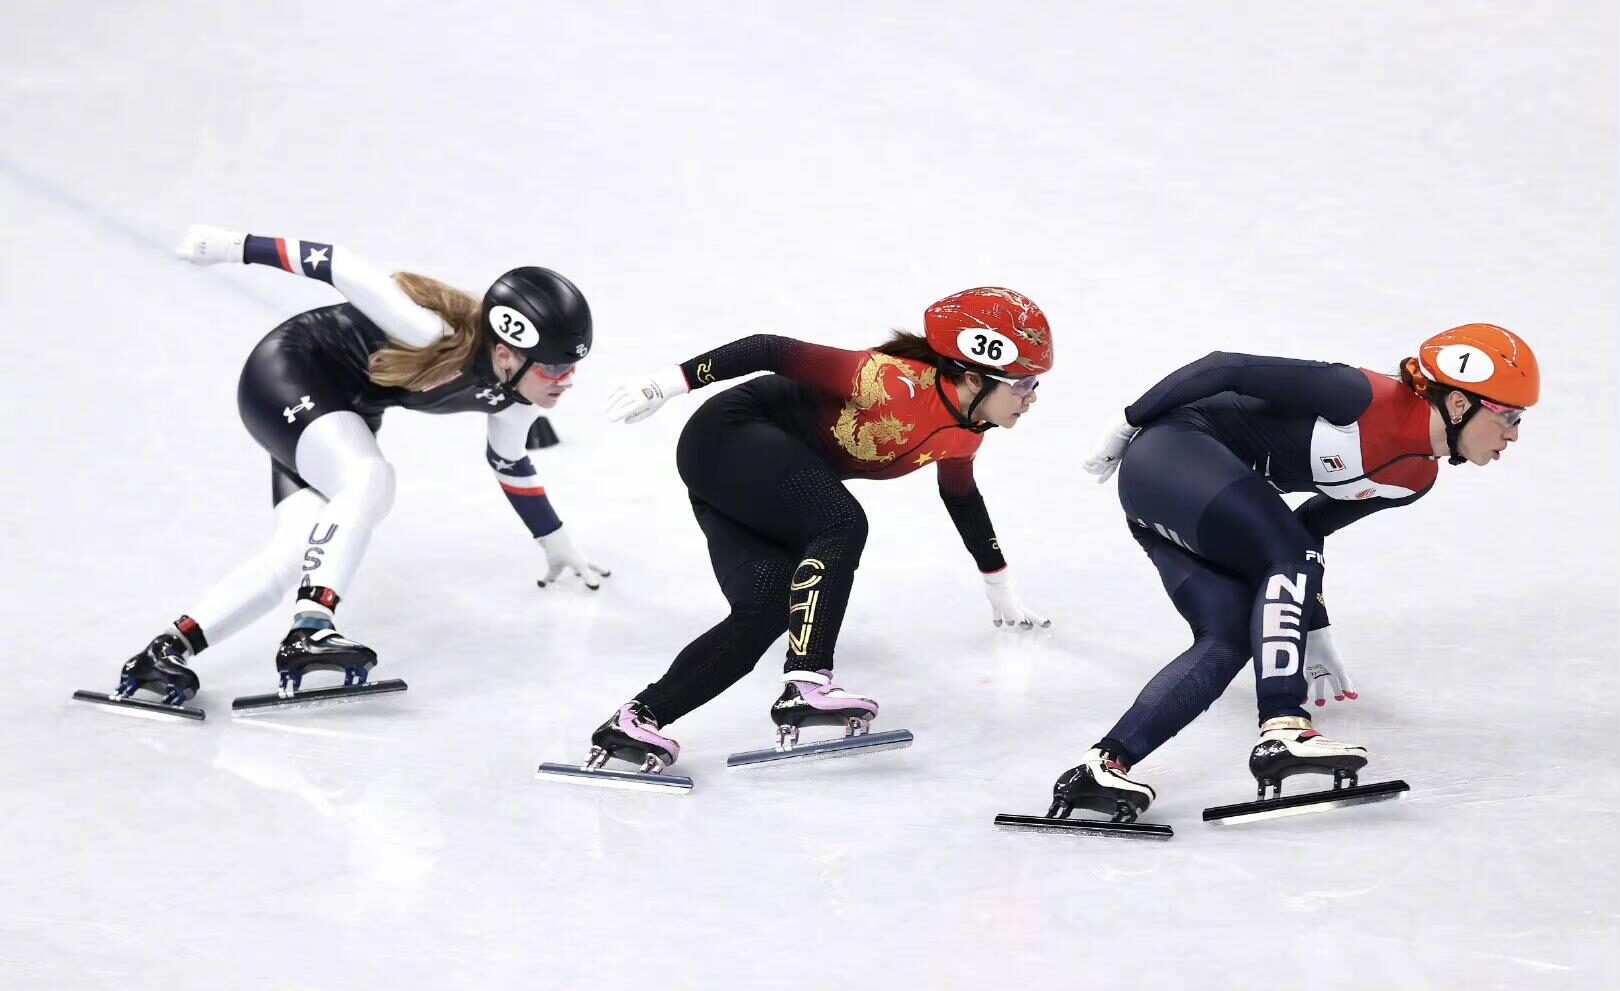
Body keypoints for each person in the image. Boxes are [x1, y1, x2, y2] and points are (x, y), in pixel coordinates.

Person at [98, 224, 608, 710]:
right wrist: (233, 246)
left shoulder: (515, 400)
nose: (566, 380)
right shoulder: (429, 330)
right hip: (286, 372)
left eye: (572, 366)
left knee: (295, 554)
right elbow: (336, 263)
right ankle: (311, 628)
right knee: (370, 479)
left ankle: (166, 651)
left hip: (341, 417)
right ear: (505, 354)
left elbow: (509, 462)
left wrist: (554, 541)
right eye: (555, 367)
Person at [1050, 324, 1539, 819]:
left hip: (1172, 506)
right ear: (1459, 404)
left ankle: (1102, 764)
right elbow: (1224, 367)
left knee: (1228, 636)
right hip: (1172, 451)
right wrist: (1125, 424)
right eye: (1510, 416)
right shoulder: (1362, 396)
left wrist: (1313, 624)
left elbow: (1306, 529)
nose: (1515, 434)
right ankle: (1284, 727)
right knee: (1286, 553)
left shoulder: (1414, 479)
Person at [577, 287, 1055, 774]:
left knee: (766, 608)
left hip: (745, 480)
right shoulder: (888, 381)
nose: (1032, 398)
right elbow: (768, 349)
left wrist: (999, 584)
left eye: (1036, 384)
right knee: (841, 522)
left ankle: (636, 718)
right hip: (729, 435)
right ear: (975, 377)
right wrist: (665, 384)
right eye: (1023, 384)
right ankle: (806, 683)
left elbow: (961, 497)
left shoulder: (966, 432)